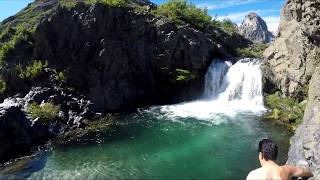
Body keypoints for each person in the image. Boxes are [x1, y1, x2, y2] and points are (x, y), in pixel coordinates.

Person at [246, 138, 312, 180]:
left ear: (261, 155)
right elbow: (306, 172)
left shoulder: (252, 175)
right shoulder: (287, 169)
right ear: (275, 155)